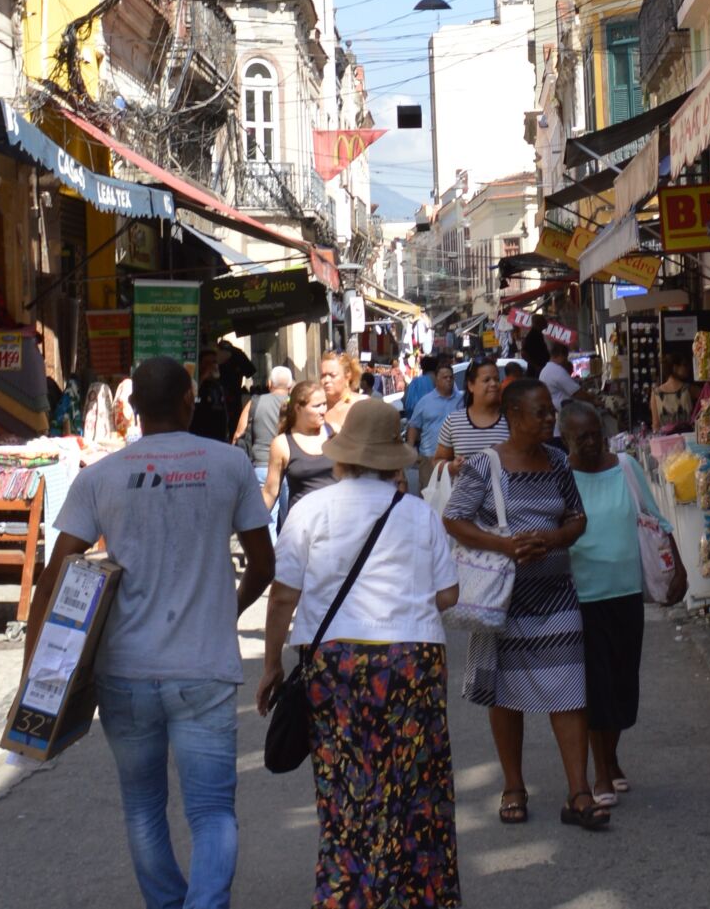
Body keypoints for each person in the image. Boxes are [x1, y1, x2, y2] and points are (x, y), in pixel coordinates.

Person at [27, 357, 274, 909]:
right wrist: (226, 610)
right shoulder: (230, 464)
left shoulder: (99, 478)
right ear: (190, 400)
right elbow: (263, 563)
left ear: (131, 410)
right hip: (203, 667)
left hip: (125, 670)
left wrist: (34, 671)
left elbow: (55, 575)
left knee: (143, 806)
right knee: (211, 811)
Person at [257, 400, 462, 905]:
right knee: (415, 787)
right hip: (412, 660)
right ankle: (418, 895)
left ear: (342, 458)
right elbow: (448, 595)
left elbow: (283, 595)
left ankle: (349, 893)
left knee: (347, 788)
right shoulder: (417, 514)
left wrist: (270, 666)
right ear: (394, 460)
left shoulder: (309, 511)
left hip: (337, 664)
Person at [443, 380, 607, 831]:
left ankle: (579, 792)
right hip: (503, 600)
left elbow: (577, 517)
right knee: (507, 695)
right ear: (514, 416)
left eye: (550, 412)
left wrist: (553, 538)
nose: (550, 419)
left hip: (557, 594)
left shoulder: (557, 462)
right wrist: (504, 544)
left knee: (571, 689)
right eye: (540, 413)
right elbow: (453, 518)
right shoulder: (484, 465)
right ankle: (513, 785)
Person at [558, 399, 679, 810]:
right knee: (596, 685)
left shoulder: (625, 466)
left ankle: (611, 756)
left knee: (624, 682)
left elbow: (655, 517)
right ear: (566, 440)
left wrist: (677, 568)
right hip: (581, 597)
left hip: (625, 592)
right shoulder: (560, 477)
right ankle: (601, 770)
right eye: (582, 437)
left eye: (597, 434)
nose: (592, 443)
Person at [265, 379, 335, 525]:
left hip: (336, 524)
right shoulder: (282, 444)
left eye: (324, 404)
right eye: (316, 406)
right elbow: (270, 492)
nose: (323, 410)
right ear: (298, 408)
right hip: (302, 527)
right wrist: (251, 525)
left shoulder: (334, 433)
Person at [233, 365, 294, 509]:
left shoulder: (254, 402)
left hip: (262, 465)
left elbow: (238, 434)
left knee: (265, 518)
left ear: (269, 383)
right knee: (290, 518)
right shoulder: (296, 404)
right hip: (290, 466)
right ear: (290, 386)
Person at [432, 359, 507, 474]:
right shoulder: (454, 422)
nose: (493, 384)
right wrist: (451, 467)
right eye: (487, 380)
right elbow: (437, 461)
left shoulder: (511, 419)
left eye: (496, 379)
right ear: (471, 385)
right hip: (464, 491)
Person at [405, 357, 458, 489]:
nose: (448, 380)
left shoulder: (462, 400)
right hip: (429, 457)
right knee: (428, 496)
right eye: (444, 377)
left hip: (454, 458)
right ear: (436, 379)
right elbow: (414, 425)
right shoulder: (425, 402)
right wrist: (411, 448)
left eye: (451, 377)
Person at [649, 354, 694, 433]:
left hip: (667, 440)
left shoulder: (656, 393)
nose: (688, 368)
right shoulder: (688, 389)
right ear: (675, 368)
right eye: (684, 365)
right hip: (688, 437)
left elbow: (656, 424)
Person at [319, 351, 361, 432]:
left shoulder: (362, 404)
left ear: (348, 375)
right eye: (323, 376)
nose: (326, 380)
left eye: (332, 375)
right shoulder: (316, 408)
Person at [539, 338, 582, 408]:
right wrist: (594, 399)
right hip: (565, 409)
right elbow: (577, 393)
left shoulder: (546, 369)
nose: (566, 360)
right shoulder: (557, 371)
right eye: (566, 357)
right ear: (561, 355)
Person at [401, 351, 439, 421]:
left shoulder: (416, 382)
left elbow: (405, 400)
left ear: (422, 368)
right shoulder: (441, 381)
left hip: (416, 422)